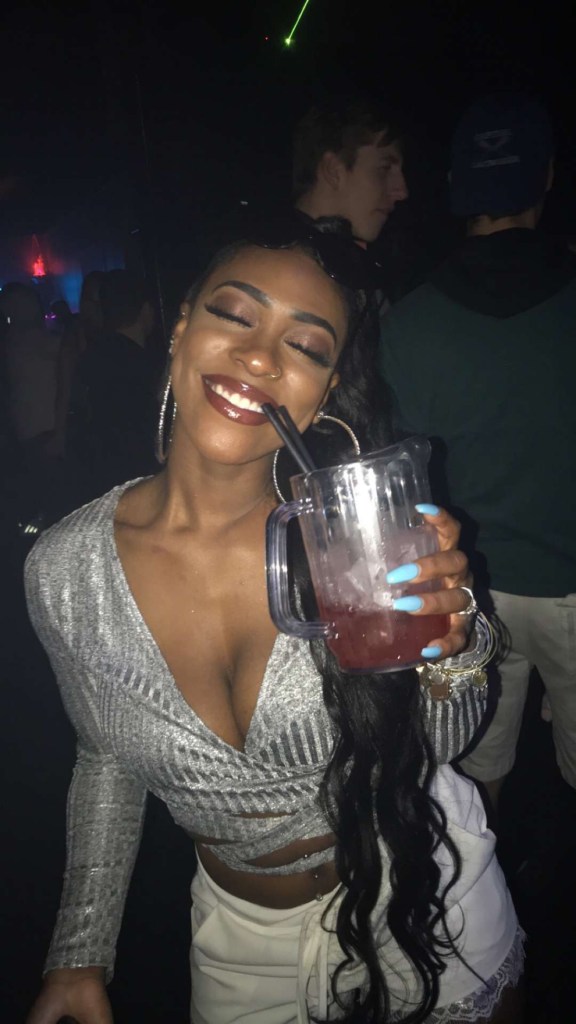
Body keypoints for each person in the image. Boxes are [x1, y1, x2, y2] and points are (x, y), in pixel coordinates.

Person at [24, 232, 524, 1024]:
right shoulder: (64, 571)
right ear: (181, 330)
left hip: (424, 876)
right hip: (243, 938)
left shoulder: (355, 544)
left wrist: (453, 645)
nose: (259, 356)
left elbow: (441, 746)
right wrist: (80, 950)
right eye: (235, 315)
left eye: (306, 346)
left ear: (323, 393)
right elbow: (105, 755)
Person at [378, 92, 576, 815]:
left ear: (457, 189)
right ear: (546, 177)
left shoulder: (408, 320)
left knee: (470, 782)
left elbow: (404, 480)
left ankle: (478, 886)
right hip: (566, 584)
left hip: (469, 592)